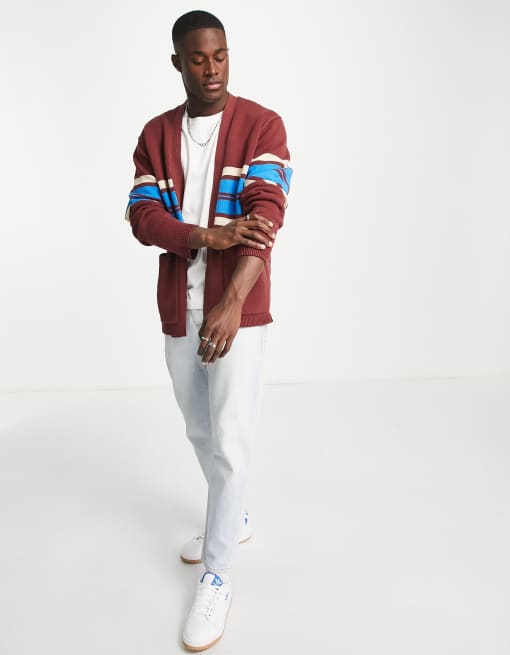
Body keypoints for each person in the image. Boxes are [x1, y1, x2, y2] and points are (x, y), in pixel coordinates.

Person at [125, 9, 292, 651]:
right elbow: (142, 215)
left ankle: (218, 575)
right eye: (198, 58)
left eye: (220, 55)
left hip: (235, 310)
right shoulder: (155, 134)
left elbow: (265, 216)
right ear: (178, 63)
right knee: (199, 429)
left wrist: (231, 304)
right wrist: (204, 235)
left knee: (230, 443)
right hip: (179, 306)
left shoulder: (261, 125)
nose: (212, 68)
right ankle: (232, 511)